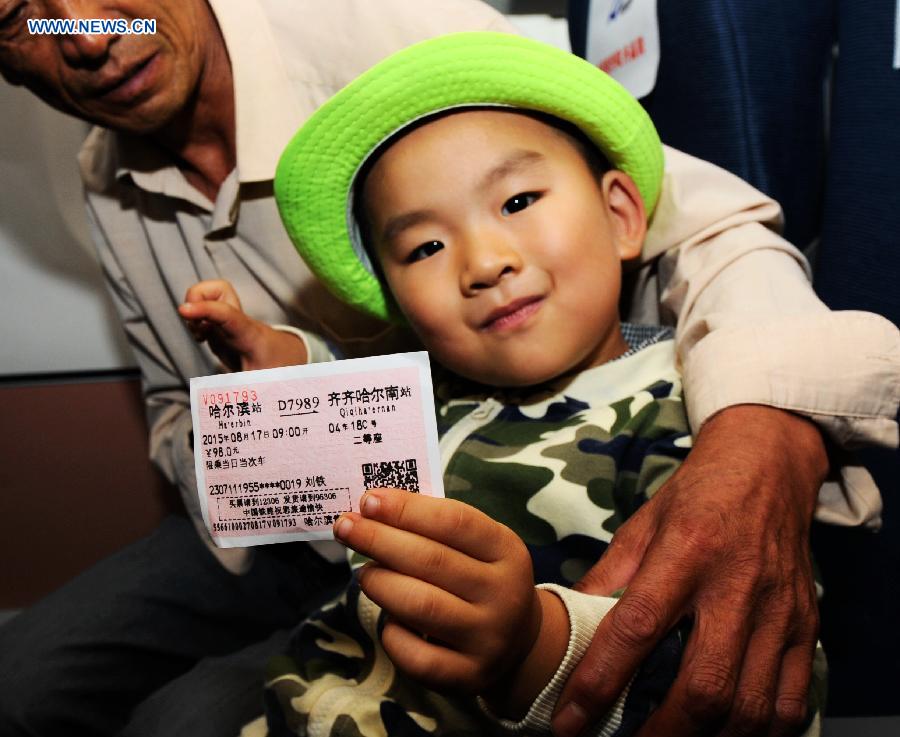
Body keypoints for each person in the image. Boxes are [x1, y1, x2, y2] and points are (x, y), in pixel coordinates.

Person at [0, 2, 896, 736]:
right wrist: (268, 409)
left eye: (512, 204)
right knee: (26, 682)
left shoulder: (389, 31)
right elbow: (250, 400)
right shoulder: (103, 178)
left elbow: (704, 220)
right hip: (304, 527)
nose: (77, 33)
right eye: (18, 19)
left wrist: (763, 432)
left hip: (508, 589)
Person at [179, 32, 827, 736]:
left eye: (517, 201)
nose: (483, 262)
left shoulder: (696, 413)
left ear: (619, 215)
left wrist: (531, 648)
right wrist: (289, 370)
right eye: (424, 247)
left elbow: (739, 667)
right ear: (399, 304)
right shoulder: (428, 398)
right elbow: (347, 426)